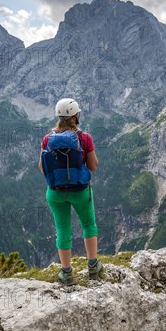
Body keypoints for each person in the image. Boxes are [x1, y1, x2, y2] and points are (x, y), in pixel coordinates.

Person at [39, 98, 103, 285]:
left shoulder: (47, 139)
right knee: (89, 225)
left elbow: (42, 167)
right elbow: (93, 166)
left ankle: (66, 273)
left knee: (62, 229)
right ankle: (93, 267)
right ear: (76, 115)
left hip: (55, 192)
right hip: (80, 191)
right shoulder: (84, 138)